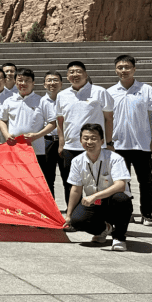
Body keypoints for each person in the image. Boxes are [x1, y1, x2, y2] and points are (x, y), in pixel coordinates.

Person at [109, 54, 152, 225]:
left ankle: (147, 214)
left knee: (145, 181)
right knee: (122, 182)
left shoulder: (146, 89)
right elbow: (107, 119)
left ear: (134, 69)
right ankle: (127, 213)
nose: (123, 70)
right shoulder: (110, 92)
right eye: (120, 67)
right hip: (118, 144)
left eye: (127, 67)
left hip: (142, 144)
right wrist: (108, 142)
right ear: (115, 70)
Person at [65, 123, 133, 252]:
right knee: (77, 221)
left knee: (121, 199)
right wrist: (68, 216)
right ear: (80, 140)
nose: (89, 142)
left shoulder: (115, 158)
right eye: (85, 138)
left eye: (93, 138)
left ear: (102, 141)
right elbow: (76, 189)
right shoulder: (77, 161)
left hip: (112, 201)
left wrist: (95, 196)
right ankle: (104, 229)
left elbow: (120, 185)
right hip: (95, 203)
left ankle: (119, 237)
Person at [56, 61, 114, 206]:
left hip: (94, 147)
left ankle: (98, 213)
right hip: (71, 147)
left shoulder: (99, 92)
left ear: (86, 74)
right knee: (71, 184)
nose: (75, 74)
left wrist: (108, 142)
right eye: (71, 72)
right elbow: (60, 121)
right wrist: (62, 143)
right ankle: (74, 213)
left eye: (78, 71)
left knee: (98, 183)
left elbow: (109, 118)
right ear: (67, 76)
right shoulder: (62, 95)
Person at [0, 68, 58, 190]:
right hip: (15, 149)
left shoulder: (41, 101)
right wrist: (6, 135)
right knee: (17, 183)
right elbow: (2, 120)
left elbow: (52, 123)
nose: (23, 83)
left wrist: (37, 135)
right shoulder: (9, 101)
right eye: (20, 80)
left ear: (33, 83)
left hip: (37, 151)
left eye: (27, 80)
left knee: (40, 184)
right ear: (15, 82)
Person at [41, 71, 63, 204]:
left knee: (68, 177)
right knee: (48, 178)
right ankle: (51, 208)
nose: (52, 83)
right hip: (47, 141)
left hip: (65, 142)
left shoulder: (66, 99)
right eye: (49, 80)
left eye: (55, 80)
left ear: (61, 83)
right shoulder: (40, 101)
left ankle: (72, 210)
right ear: (44, 84)